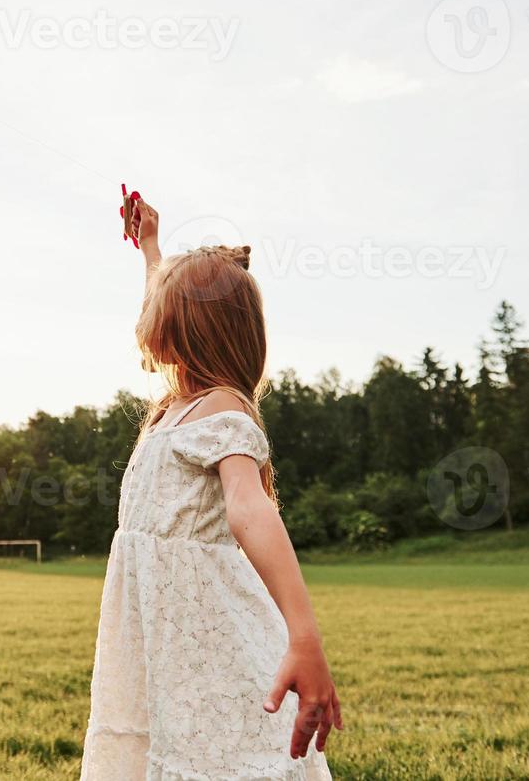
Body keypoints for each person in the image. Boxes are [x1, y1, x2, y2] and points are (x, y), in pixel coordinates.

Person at [80, 197, 342, 780]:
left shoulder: (221, 408)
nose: (148, 321)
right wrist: (151, 245)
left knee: (225, 752)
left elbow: (250, 508)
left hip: (208, 626)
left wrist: (305, 635)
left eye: (164, 309)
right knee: (167, 741)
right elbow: (160, 300)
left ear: (190, 328)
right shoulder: (174, 406)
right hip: (162, 628)